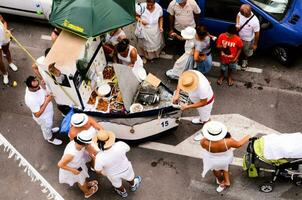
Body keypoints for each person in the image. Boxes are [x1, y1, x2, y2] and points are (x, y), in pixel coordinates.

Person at [200, 121, 249, 192]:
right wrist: (248, 137)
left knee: (216, 171)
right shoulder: (228, 141)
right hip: (226, 159)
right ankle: (227, 181)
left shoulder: (204, 142)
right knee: (225, 167)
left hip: (213, 161)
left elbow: (203, 147)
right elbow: (239, 144)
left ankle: (221, 182)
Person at [94, 130, 142, 198]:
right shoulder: (120, 144)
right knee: (130, 177)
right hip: (126, 168)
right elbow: (128, 149)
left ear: (98, 143)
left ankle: (123, 192)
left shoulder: (99, 156)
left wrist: (104, 172)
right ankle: (133, 186)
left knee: (117, 184)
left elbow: (98, 170)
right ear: (110, 139)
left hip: (113, 174)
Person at [173, 70, 214, 141]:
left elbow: (203, 103)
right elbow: (181, 79)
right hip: (197, 100)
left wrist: (187, 107)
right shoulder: (190, 74)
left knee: (206, 119)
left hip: (205, 104)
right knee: (202, 115)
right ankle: (202, 119)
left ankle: (205, 132)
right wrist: (177, 93)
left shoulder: (202, 88)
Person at [58, 130, 99, 198]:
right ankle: (87, 192)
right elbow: (60, 164)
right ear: (85, 143)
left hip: (78, 164)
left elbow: (88, 147)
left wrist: (93, 152)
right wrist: (73, 170)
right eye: (89, 143)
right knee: (81, 182)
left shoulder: (79, 143)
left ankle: (87, 184)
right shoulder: (71, 154)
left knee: (83, 178)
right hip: (73, 169)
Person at [24, 76, 62, 145]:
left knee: (49, 126)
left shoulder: (36, 86)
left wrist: (43, 85)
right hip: (44, 117)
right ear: (30, 87)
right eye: (36, 87)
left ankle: (50, 130)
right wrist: (47, 101)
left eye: (38, 84)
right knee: (46, 128)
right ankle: (50, 138)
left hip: (48, 112)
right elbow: (37, 114)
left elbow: (42, 93)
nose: (38, 87)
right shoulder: (30, 99)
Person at [236, 4, 260, 70]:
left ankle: (245, 60)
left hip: (247, 40)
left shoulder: (255, 21)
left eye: (242, 13)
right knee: (238, 49)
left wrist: (255, 44)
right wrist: (237, 24)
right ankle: (237, 59)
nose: (241, 14)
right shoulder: (241, 13)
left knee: (247, 51)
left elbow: (257, 34)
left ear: (247, 13)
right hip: (239, 37)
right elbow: (238, 16)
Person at [0, 15, 18, 84]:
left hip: (4, 37)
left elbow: (4, 22)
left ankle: (10, 62)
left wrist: (6, 29)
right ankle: (5, 74)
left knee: (6, 51)